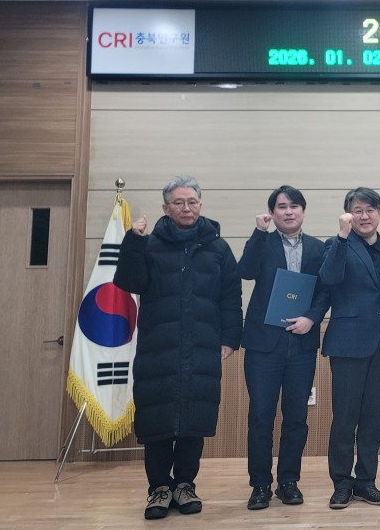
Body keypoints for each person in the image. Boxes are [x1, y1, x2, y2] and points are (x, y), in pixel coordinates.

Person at [114, 175, 242, 520]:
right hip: (158, 346)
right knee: (157, 418)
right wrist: (133, 242)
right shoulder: (149, 243)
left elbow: (231, 297)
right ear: (165, 208)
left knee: (193, 419)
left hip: (202, 345)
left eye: (192, 202)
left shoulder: (218, 248)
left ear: (200, 205)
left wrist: (230, 338)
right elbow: (129, 282)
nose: (186, 208)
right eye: (179, 202)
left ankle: (185, 485)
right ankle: (159, 488)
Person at [319, 187, 380, 509]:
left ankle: (366, 481)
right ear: (348, 215)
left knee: (373, 420)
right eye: (357, 210)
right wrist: (342, 237)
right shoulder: (336, 245)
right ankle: (341, 483)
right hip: (348, 344)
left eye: (370, 210)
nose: (364, 216)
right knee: (344, 418)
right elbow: (329, 278)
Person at [237, 185, 328, 510]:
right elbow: (245, 271)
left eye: (294, 206)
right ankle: (260, 484)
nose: (288, 212)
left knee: (296, 417)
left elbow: (326, 291)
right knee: (260, 416)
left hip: (301, 344)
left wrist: (311, 318)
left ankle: (289, 481)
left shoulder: (318, 247)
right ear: (272, 213)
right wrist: (258, 233)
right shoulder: (263, 241)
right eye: (281, 206)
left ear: (303, 211)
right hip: (263, 345)